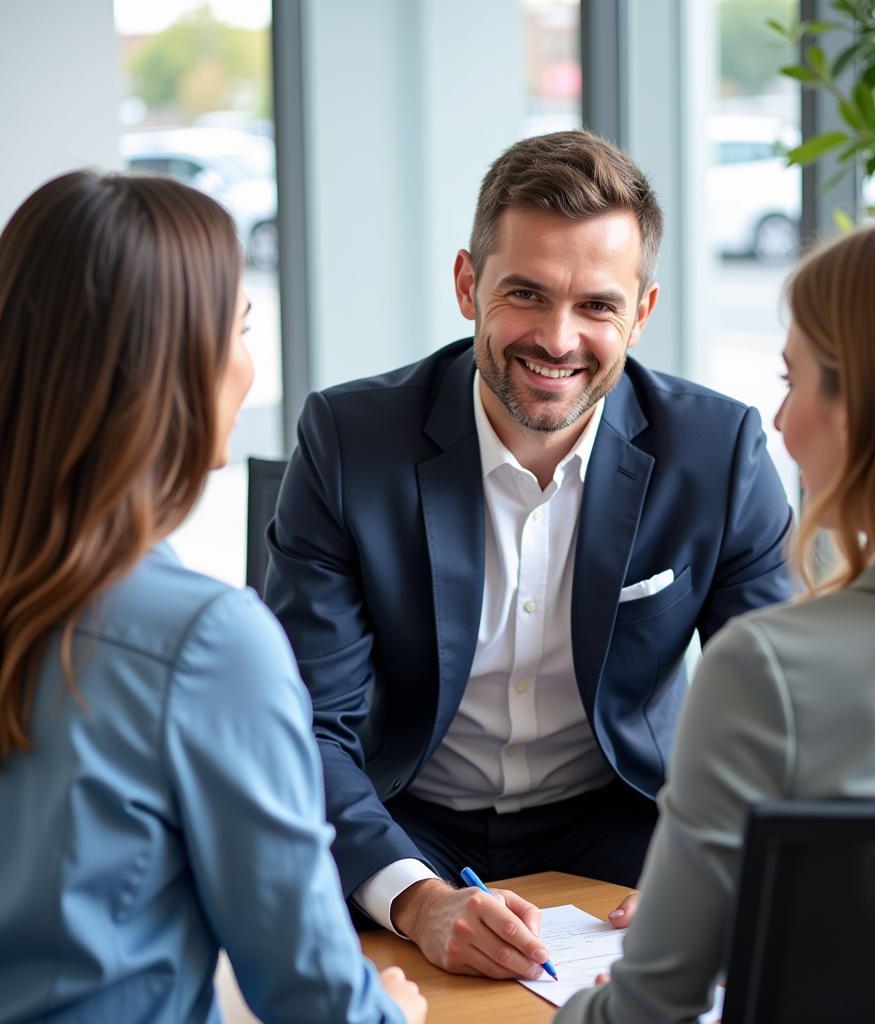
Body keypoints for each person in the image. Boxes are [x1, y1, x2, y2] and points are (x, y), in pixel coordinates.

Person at [265, 129, 794, 980]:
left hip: (627, 821)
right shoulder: (347, 439)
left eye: (597, 305)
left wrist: (712, 851)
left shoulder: (719, 451)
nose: (557, 339)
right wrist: (416, 897)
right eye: (526, 293)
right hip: (403, 818)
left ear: (642, 313)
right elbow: (303, 722)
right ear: (468, 284)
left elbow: (783, 711)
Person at [0, 171, 425, 1024]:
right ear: (166, 369)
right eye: (240, 329)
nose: (248, 366)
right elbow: (312, 995)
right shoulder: (208, 643)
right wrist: (394, 1009)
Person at [553, 197, 875, 1022]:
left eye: (796, 380)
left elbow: (648, 1014)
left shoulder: (770, 672)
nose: (780, 422)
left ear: (871, 404)